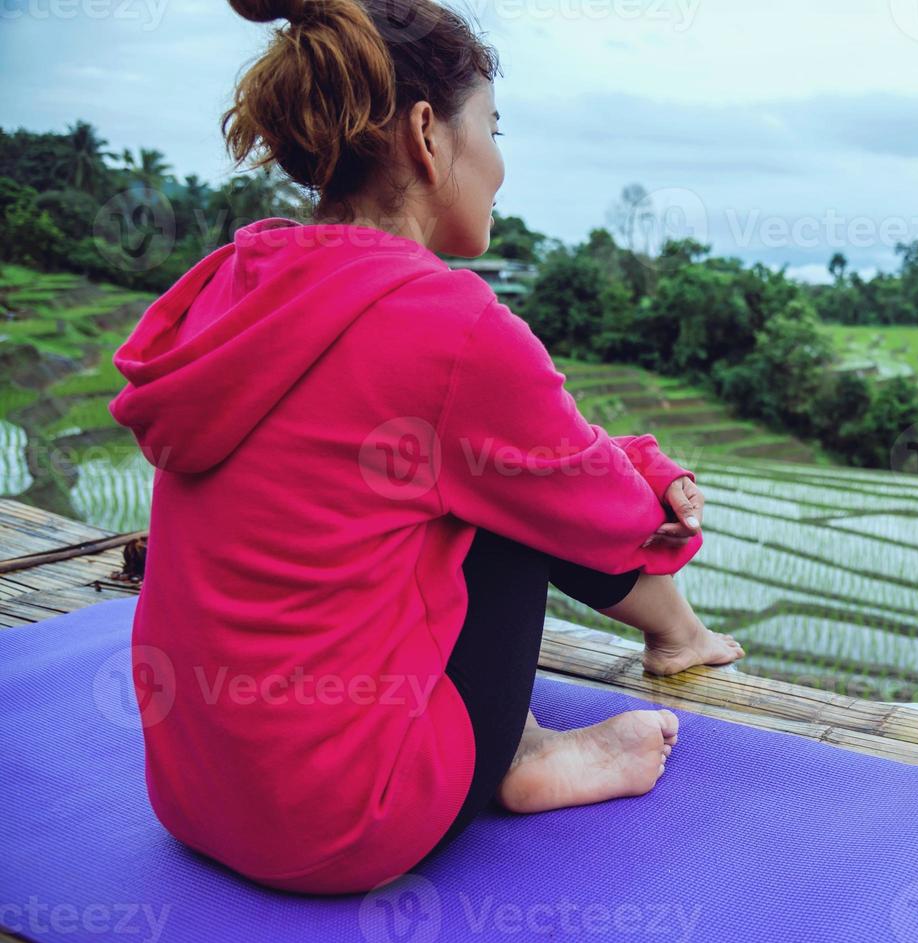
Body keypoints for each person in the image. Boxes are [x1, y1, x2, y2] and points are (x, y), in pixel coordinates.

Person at [107, 0, 742, 896]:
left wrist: (616, 460)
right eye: (493, 126)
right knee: (521, 497)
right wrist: (655, 475)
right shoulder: (451, 325)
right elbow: (604, 515)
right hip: (346, 826)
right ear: (426, 137)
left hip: (190, 794)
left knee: (484, 474)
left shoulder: (231, 284)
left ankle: (607, 686)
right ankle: (523, 752)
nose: (501, 164)